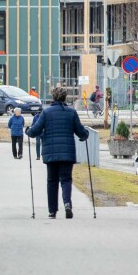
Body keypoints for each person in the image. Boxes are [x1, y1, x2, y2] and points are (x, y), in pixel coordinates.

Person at [26, 86, 88, 219]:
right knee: (66, 179)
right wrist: (85, 136)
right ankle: (67, 204)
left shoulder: (47, 113)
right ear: (65, 97)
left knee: (52, 181)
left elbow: (35, 130)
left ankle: (52, 211)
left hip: (51, 153)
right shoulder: (71, 113)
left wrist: (28, 131)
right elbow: (80, 131)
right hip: (67, 153)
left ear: (53, 97)